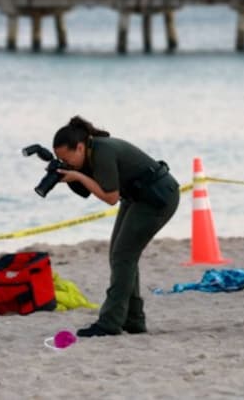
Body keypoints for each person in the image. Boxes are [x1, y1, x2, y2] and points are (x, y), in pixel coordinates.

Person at [52, 116, 180, 337]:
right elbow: (94, 190)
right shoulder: (91, 152)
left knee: (123, 256)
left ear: (80, 147)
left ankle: (110, 323)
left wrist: (78, 176)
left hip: (158, 198)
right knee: (119, 255)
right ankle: (134, 320)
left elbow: (110, 197)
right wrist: (71, 175)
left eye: (67, 158)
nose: (67, 163)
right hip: (136, 197)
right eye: (60, 159)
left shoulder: (102, 151)